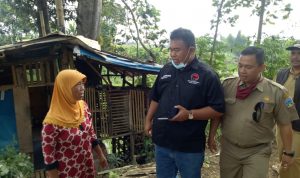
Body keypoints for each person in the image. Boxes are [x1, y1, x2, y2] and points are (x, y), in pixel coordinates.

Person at [144, 27, 225, 178]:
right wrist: (148, 120)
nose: (172, 54)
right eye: (171, 49)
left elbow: (218, 109)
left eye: (177, 50)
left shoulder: (207, 75)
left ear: (191, 49)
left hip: (189, 146)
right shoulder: (166, 70)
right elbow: (156, 97)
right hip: (162, 142)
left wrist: (190, 114)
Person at [208, 46, 298, 178]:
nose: (242, 71)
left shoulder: (277, 92)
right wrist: (212, 134)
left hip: (257, 151)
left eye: (248, 67)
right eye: (240, 66)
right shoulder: (227, 86)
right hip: (229, 149)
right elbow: (218, 114)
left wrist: (288, 152)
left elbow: (285, 124)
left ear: (262, 67)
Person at [41, 69, 108, 178]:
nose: (83, 88)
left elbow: (91, 133)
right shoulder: (52, 122)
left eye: (82, 84)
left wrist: (100, 155)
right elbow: (49, 160)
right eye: (77, 84)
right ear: (65, 88)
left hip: (87, 168)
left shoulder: (83, 106)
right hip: (68, 173)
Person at [275, 43, 300, 178]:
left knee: (293, 159)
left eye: (299, 54)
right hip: (281, 123)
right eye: (293, 53)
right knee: (282, 155)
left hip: (297, 126)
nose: (295, 57)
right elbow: (274, 94)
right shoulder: (282, 74)